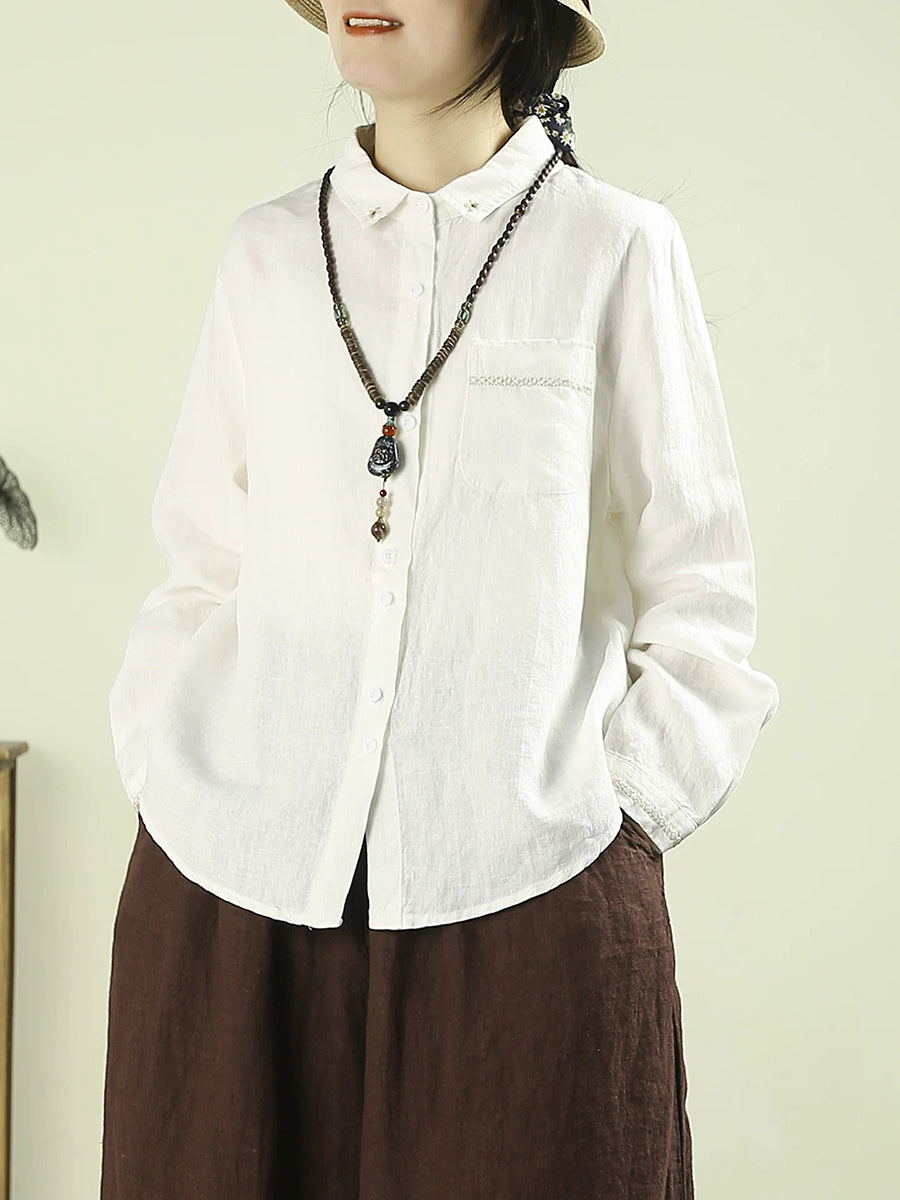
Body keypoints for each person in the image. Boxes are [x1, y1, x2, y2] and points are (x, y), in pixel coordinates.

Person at [100, 1, 780, 1196]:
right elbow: (203, 564)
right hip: (236, 889)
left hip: (526, 894)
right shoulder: (268, 254)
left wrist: (619, 822)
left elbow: (704, 591)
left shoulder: (615, 248)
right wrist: (161, 763)